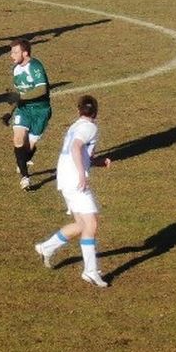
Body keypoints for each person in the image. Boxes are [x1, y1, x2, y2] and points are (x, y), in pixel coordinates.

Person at [33, 95, 113, 288]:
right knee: (91, 224)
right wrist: (82, 175)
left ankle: (46, 247)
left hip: (65, 178)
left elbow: (78, 152)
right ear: (96, 112)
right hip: (75, 180)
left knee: (81, 225)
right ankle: (90, 271)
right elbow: (76, 148)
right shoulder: (89, 127)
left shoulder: (76, 126)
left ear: (79, 111)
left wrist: (97, 162)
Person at [8, 38, 51, 190]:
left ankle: (23, 161)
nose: (11, 55)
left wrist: (20, 97)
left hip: (41, 111)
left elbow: (42, 90)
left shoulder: (35, 66)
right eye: (11, 52)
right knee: (18, 139)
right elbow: (19, 93)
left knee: (29, 147)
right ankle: (25, 178)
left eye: (15, 52)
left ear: (25, 53)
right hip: (24, 109)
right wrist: (10, 112)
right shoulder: (16, 69)